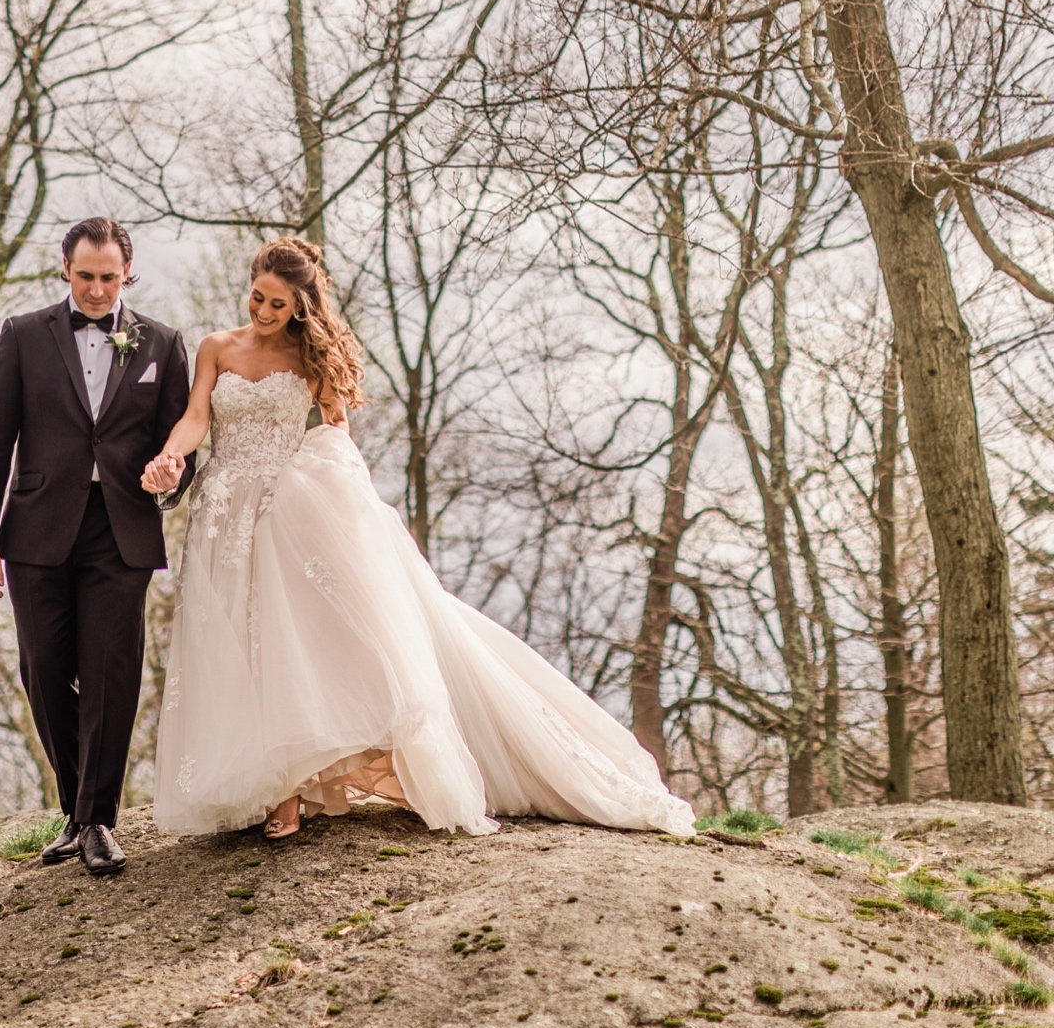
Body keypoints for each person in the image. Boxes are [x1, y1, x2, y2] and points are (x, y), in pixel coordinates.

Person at [140, 238, 696, 840]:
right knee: (230, 640)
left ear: (300, 306)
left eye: (279, 304)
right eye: (258, 298)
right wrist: (171, 456)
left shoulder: (310, 355)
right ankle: (250, 781)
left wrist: (322, 493)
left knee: (284, 640)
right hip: (222, 511)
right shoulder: (217, 347)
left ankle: (288, 789)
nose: (264, 311)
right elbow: (197, 418)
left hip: (283, 512)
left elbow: (336, 430)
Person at [0, 218, 194, 874]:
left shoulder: (163, 344)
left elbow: (180, 447)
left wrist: (172, 477)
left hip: (121, 530)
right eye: (86, 276)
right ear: (65, 269)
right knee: (42, 669)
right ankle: (76, 806)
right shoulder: (22, 335)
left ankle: (96, 820)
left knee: (109, 676)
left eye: (109, 278)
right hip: (35, 529)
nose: (96, 289)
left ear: (128, 275)